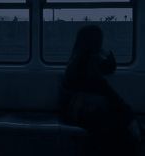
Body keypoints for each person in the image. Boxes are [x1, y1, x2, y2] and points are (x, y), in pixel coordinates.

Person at [60, 25, 141, 156]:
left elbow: (109, 67)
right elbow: (107, 91)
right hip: (81, 110)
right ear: (95, 42)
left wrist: (103, 52)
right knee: (119, 128)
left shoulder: (79, 58)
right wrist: (130, 117)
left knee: (116, 122)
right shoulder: (87, 63)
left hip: (74, 109)